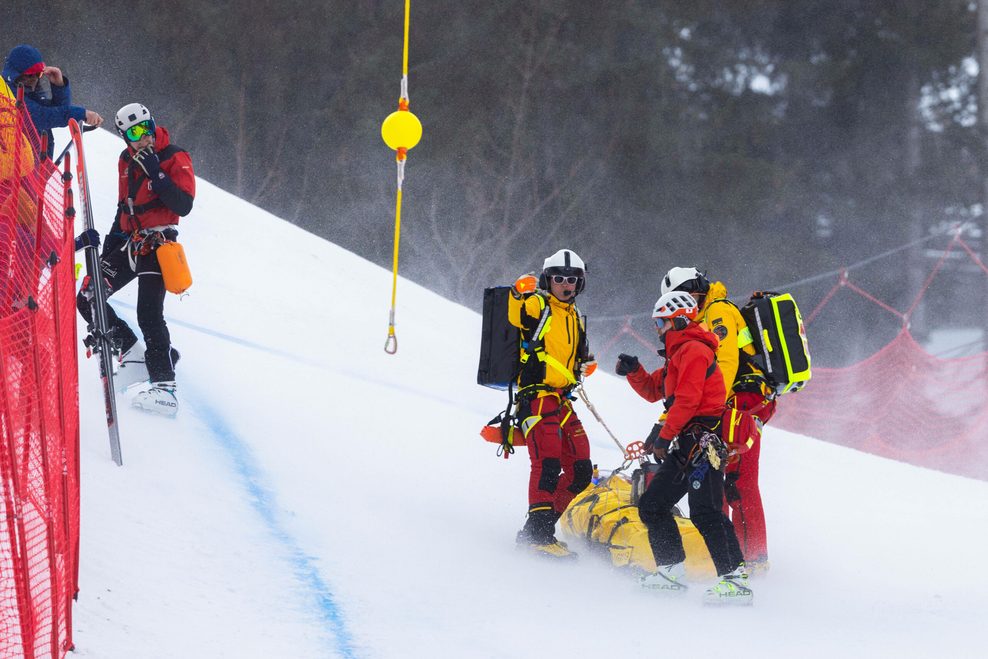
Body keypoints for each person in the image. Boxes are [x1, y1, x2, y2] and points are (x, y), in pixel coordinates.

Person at [617, 290, 751, 604]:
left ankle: (735, 579)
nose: (657, 329)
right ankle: (671, 571)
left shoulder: (693, 349)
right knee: (653, 505)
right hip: (687, 444)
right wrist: (635, 371)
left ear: (677, 319)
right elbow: (654, 389)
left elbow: (689, 400)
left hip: (703, 445)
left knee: (705, 512)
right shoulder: (679, 353)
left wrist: (664, 436)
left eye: (660, 322)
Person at [75, 102, 194, 415]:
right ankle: (132, 354)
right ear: (124, 136)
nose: (144, 137)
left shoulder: (173, 156)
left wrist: (156, 171)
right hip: (130, 242)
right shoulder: (125, 160)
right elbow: (123, 208)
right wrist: (108, 251)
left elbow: (183, 205)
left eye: (147, 128)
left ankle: (165, 388)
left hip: (159, 242)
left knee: (148, 312)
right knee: (89, 297)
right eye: (134, 133)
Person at [658, 267, 776, 571]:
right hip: (733, 403)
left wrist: (701, 410)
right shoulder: (701, 320)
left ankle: (752, 559)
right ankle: (729, 556)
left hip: (742, 401)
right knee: (718, 481)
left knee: (738, 482)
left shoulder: (718, 311)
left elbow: (724, 364)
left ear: (694, 290)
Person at [507, 248, 596, 559]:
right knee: (547, 464)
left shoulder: (573, 317)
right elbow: (517, 314)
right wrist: (520, 293)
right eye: (559, 278)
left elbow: (580, 355)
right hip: (537, 397)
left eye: (572, 278)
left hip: (562, 401)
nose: (566, 284)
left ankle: (539, 529)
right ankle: (538, 534)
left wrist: (585, 366)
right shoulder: (539, 304)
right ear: (548, 280)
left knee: (581, 469)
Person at [2, 44, 103, 157]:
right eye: (30, 75)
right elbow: (41, 117)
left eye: (38, 74)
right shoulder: (7, 94)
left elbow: (56, 111)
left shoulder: (29, 93)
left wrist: (59, 86)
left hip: (32, 168)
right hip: (13, 170)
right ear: (15, 74)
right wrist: (81, 113)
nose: (34, 79)